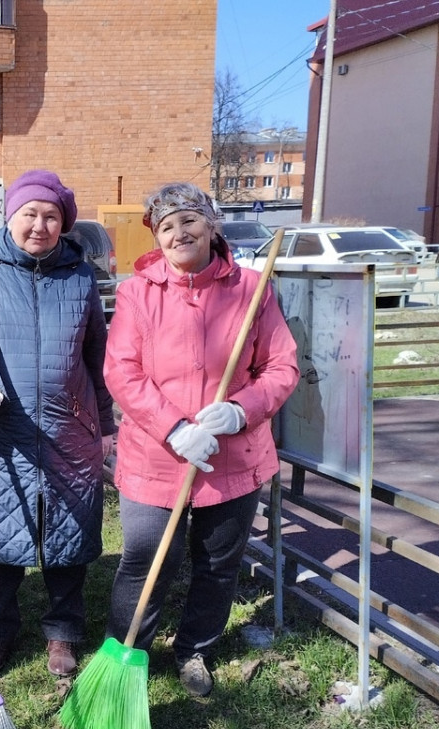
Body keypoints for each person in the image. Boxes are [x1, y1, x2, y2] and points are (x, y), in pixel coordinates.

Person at [103, 181, 299, 697]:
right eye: (165, 226)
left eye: (188, 220)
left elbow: (281, 366)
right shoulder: (137, 292)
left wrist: (241, 411)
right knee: (144, 557)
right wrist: (174, 428)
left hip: (234, 458)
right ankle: (125, 656)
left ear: (212, 225)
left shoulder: (252, 289)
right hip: (155, 453)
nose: (178, 232)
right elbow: (122, 372)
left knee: (217, 562)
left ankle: (195, 650)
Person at [0, 169, 116, 678]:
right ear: (10, 216)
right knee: (2, 536)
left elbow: (96, 355)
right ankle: (0, 629)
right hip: (2, 429)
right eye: (29, 214)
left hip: (69, 429)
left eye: (51, 216)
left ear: (64, 223)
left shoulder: (80, 275)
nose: (39, 225)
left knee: (69, 536)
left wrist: (104, 425)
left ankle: (63, 633)